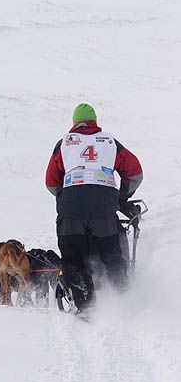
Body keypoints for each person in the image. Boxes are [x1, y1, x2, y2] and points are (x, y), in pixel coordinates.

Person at [45, 103, 143, 312]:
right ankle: (126, 300)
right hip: (104, 210)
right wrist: (120, 198)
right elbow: (135, 174)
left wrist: (68, 198)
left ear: (74, 123)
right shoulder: (109, 142)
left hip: (71, 210)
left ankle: (86, 306)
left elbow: (51, 182)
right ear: (95, 122)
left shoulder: (64, 144)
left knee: (72, 257)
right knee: (112, 255)